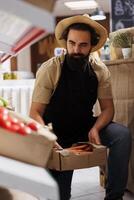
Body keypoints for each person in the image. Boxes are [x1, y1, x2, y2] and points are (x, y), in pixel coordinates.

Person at [29, 14, 131, 200]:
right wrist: (47, 137)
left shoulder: (100, 71)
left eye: (83, 45)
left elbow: (108, 109)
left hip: (85, 129)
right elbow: (35, 112)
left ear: (91, 46)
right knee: (59, 196)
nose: (76, 49)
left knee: (121, 135)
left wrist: (96, 127)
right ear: (65, 43)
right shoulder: (50, 69)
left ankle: (114, 196)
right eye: (72, 43)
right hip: (56, 134)